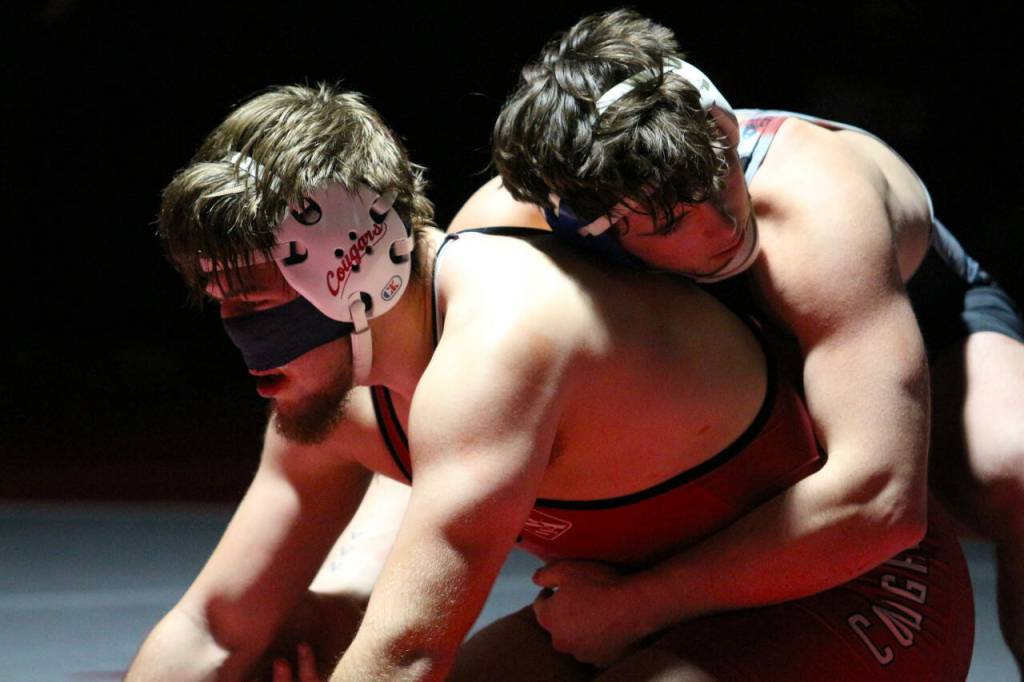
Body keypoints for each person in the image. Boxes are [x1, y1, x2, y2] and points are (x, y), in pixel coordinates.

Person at [125, 84, 972, 682]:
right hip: (621, 611)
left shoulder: (505, 337)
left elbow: (406, 652)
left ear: (351, 268)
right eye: (218, 300)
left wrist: (639, 606)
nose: (240, 338)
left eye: (254, 298)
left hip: (851, 589)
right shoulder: (330, 400)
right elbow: (213, 627)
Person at [462, 7, 1024, 672]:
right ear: (594, 235)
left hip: (919, 324)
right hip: (736, 369)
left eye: (723, 164)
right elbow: (419, 428)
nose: (726, 221)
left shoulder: (816, 213)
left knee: (1009, 464)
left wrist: (636, 604)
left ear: (721, 120)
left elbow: (881, 499)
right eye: (675, 219)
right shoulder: (506, 233)